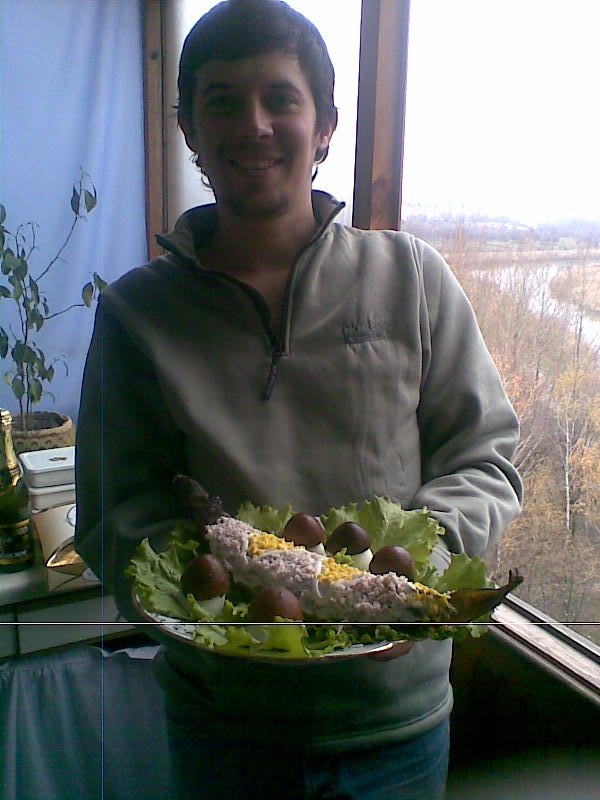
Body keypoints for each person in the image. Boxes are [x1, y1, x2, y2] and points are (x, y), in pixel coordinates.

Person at [74, 1, 523, 798]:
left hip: (397, 728)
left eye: (280, 98)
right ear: (189, 129)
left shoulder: (411, 278)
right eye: (222, 101)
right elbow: (115, 510)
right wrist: (217, 591)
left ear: (325, 128)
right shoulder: (138, 314)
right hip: (226, 732)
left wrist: (404, 578)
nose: (253, 124)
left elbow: (484, 458)